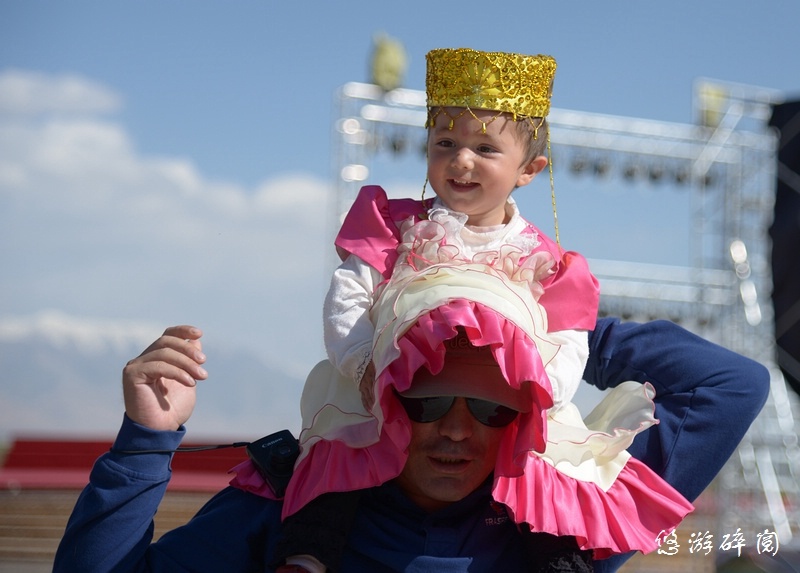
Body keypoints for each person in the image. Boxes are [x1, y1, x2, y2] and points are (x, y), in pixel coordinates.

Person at [53, 316, 769, 572]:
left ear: (524, 419)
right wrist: (147, 442)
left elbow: (733, 386)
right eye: (426, 402)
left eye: (490, 408)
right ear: (383, 405)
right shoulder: (295, 506)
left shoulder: (563, 526)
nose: (457, 428)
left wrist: (548, 322)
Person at [279, 47, 600, 572]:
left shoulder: (548, 261)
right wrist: (363, 363)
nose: (461, 160)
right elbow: (349, 299)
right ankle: (306, 556)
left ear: (530, 169)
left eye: (484, 148)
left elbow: (569, 340)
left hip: (506, 402)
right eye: (445, 143)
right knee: (338, 444)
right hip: (389, 386)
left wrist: (539, 390)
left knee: (552, 466)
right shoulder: (395, 228)